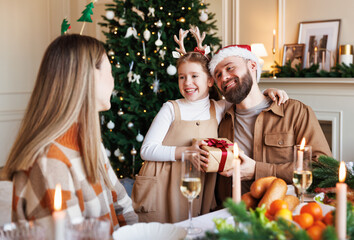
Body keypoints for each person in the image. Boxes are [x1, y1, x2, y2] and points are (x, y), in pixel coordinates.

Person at [131, 27, 289, 223]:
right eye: (182, 76)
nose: (187, 82)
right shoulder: (171, 109)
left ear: (210, 81)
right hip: (165, 183)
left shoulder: (220, 107)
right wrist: (187, 151)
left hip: (199, 186)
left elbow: (247, 93)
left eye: (194, 76)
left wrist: (268, 91)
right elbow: (146, 150)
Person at [1, 34, 138, 233]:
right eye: (110, 71)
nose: (113, 81)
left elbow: (122, 206)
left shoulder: (90, 143)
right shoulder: (50, 162)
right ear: (90, 76)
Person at [208, 44, 332, 206]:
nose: (223, 77)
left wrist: (258, 170)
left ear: (252, 65)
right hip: (232, 216)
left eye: (230, 68)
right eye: (218, 75)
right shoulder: (219, 118)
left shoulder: (295, 112)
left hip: (285, 214)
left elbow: (324, 169)